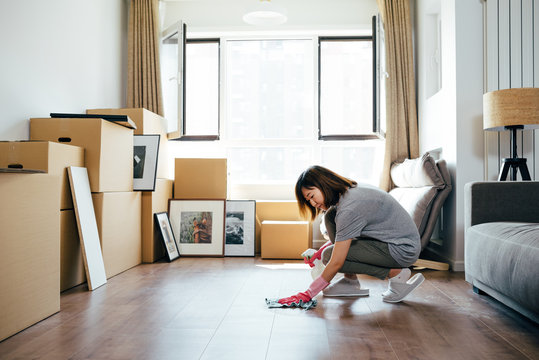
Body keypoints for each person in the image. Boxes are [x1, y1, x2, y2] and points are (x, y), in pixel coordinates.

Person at [278, 165, 425, 306]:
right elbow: (346, 234)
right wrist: (319, 251)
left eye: (311, 196)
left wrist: (308, 294)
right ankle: (350, 282)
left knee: (329, 256)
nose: (312, 203)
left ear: (324, 185)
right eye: (308, 200)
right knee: (330, 216)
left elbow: (336, 261)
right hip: (390, 242)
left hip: (401, 250)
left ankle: (395, 273)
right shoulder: (349, 192)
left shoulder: (349, 209)